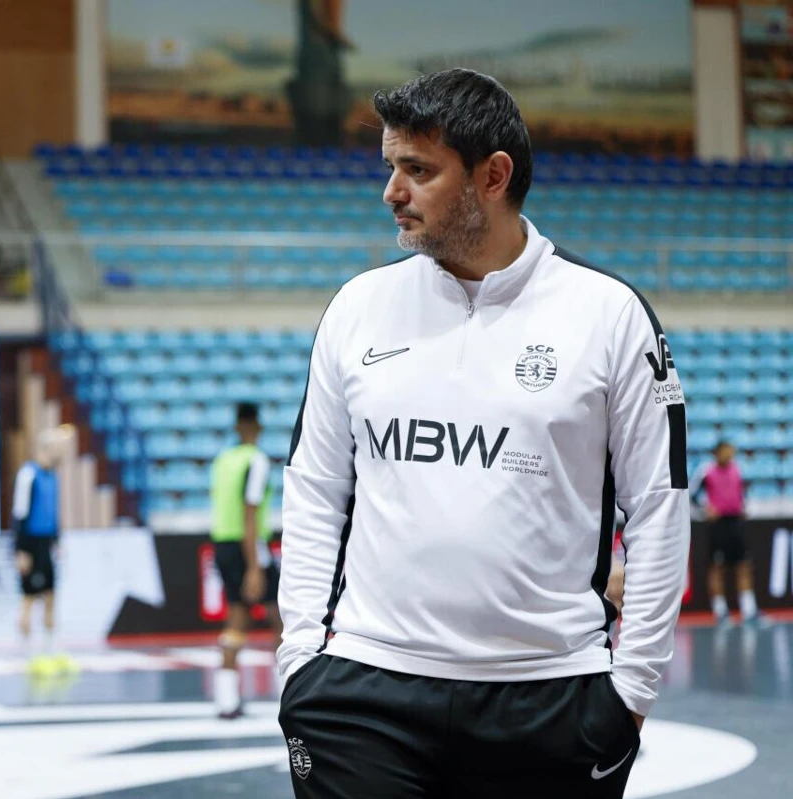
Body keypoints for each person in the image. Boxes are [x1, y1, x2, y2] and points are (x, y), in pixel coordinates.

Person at [277, 69, 690, 798]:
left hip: (550, 699)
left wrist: (632, 692)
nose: (391, 192)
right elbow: (313, 488)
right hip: (362, 692)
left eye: (418, 169)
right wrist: (301, 655)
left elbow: (659, 507)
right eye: (390, 167)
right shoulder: (357, 308)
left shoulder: (610, 314)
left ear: (493, 175)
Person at [209, 401, 281, 719]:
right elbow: (249, 512)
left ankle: (226, 700)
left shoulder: (223, 460)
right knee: (281, 618)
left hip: (222, 544)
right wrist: (254, 566)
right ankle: (289, 692)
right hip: (248, 545)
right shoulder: (257, 460)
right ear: (258, 428)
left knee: (237, 617)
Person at [11, 430, 72, 674]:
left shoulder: (53, 476)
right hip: (31, 543)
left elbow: (53, 511)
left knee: (50, 597)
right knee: (28, 597)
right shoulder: (28, 474)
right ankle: (27, 654)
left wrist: (57, 539)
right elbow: (20, 513)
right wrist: (21, 549)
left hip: (47, 541)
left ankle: (49, 649)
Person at [691, 440, 762, 625]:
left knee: (743, 564)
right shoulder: (707, 470)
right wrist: (704, 509)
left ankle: (749, 610)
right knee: (717, 567)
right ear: (717, 452)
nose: (729, 454)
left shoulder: (737, 469)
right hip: (718, 525)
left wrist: (745, 506)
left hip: (735, 522)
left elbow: (744, 491)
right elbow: (692, 495)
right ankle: (720, 611)